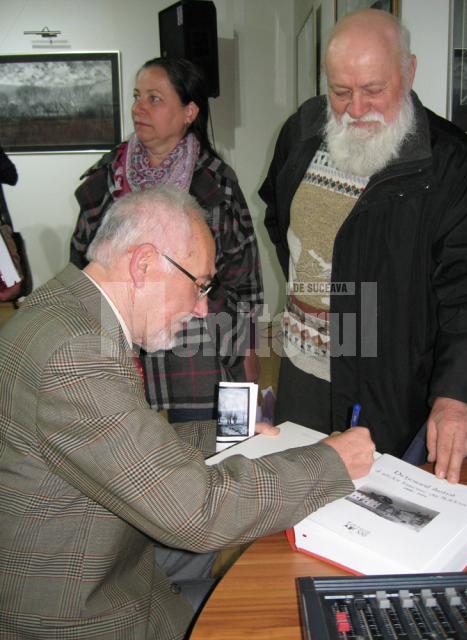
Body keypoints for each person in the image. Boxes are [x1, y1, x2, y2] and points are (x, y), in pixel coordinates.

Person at [0, 185, 375, 639]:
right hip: (80, 610)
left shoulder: (64, 313)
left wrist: (223, 434)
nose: (202, 310)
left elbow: (127, 446)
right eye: (200, 285)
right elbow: (198, 513)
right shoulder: (75, 356)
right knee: (277, 614)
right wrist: (330, 464)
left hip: (101, 561)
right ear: (142, 265)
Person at [259, 8, 467, 484]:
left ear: (410, 71)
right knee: (295, 509)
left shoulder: (453, 165)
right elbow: (278, 218)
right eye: (340, 91)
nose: (355, 109)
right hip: (301, 369)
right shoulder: (302, 130)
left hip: (391, 382)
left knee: (373, 520)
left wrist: (458, 394)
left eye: (374, 90)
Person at [70, 57, 262, 422]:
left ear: (189, 111)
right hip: (121, 347)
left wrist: (249, 349)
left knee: (206, 451)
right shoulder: (106, 179)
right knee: (131, 453)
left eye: (154, 99)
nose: (138, 108)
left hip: (197, 347)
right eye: (137, 96)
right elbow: (82, 265)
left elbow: (245, 280)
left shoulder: (215, 184)